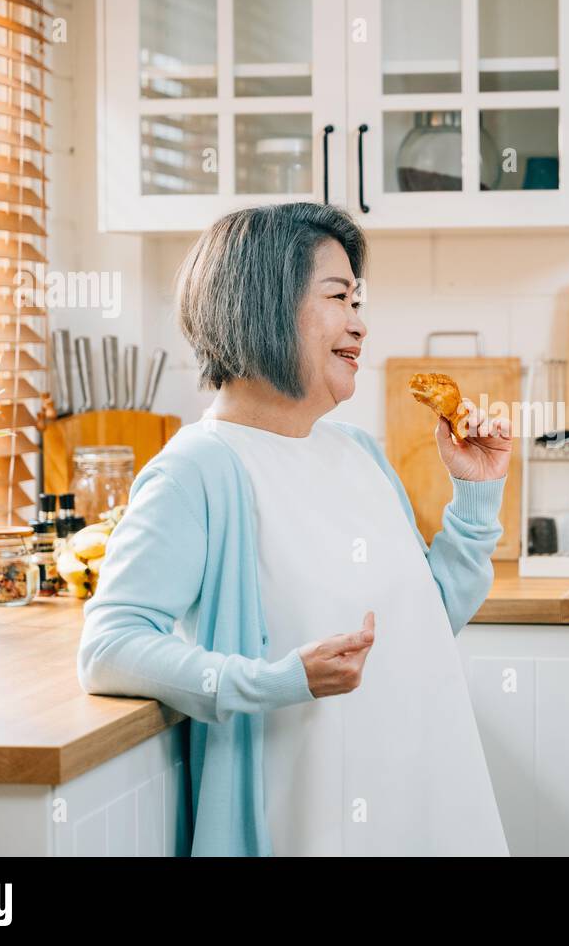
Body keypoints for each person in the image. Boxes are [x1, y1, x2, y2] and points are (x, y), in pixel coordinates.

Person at [77, 203, 512, 856]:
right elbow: (109, 647)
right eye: (339, 297)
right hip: (306, 826)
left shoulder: (358, 453)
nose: (360, 325)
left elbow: (427, 615)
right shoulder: (199, 471)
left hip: (428, 804)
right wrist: (278, 680)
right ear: (262, 306)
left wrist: (476, 495)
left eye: (358, 301)